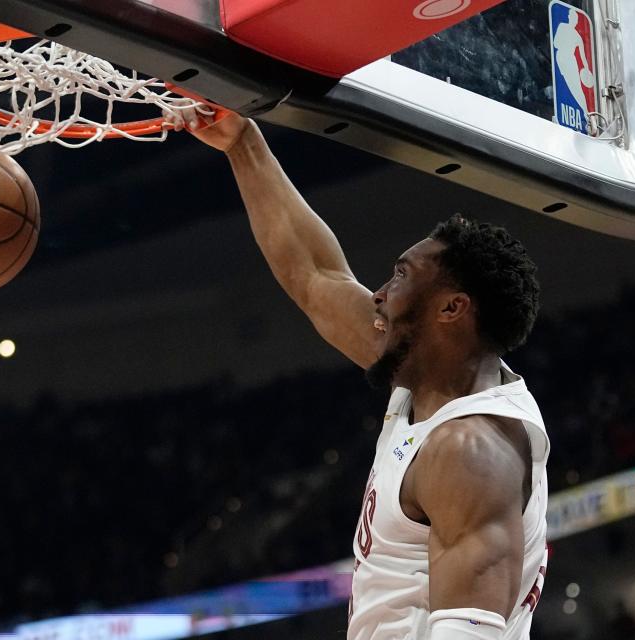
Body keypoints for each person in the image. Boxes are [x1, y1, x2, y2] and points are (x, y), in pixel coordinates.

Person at [185, 112, 550, 640]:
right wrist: (242, 142)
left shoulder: (469, 451)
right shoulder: (424, 372)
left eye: (401, 275)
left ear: (451, 309)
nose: (379, 293)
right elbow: (315, 277)